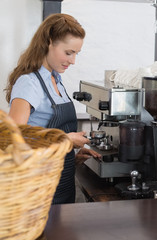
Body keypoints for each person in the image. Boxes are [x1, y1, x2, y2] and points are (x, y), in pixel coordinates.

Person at [5, 13, 101, 204]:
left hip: (61, 185)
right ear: (49, 42)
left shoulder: (56, 80)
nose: (73, 61)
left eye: (76, 53)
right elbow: (11, 140)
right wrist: (66, 140)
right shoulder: (29, 83)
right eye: (68, 52)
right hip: (35, 193)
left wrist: (71, 158)